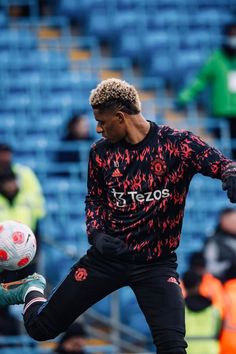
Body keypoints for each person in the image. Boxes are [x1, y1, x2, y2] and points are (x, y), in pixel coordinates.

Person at [0, 78, 236, 354]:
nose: (98, 128)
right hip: (106, 260)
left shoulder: (177, 144)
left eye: (102, 121)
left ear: (120, 117)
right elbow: (95, 200)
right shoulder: (100, 153)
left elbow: (222, 164)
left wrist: (230, 175)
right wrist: (97, 235)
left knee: (173, 348)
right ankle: (31, 288)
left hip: (156, 265)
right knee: (41, 329)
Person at [176, 22, 236, 156]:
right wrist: (185, 96)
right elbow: (200, 80)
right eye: (232, 34)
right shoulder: (216, 59)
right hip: (222, 113)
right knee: (225, 151)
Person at [0, 167, 45, 282]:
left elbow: (37, 225)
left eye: (12, 181)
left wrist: (35, 251)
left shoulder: (26, 200)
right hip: (4, 260)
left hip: (27, 255)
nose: (10, 185)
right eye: (7, 183)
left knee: (28, 287)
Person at [183, 270, 221, 354]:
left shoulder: (180, 310)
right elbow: (218, 331)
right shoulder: (213, 310)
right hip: (209, 350)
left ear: (184, 285)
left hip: (187, 350)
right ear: (199, 284)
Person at [180, 251, 225, 316]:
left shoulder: (213, 283)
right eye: (196, 269)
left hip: (207, 319)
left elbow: (220, 308)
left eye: (200, 268)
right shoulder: (183, 281)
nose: (198, 272)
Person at [204, 207, 236, 283]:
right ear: (223, 221)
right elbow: (210, 268)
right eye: (232, 220)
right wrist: (229, 266)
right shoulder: (214, 241)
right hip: (223, 285)